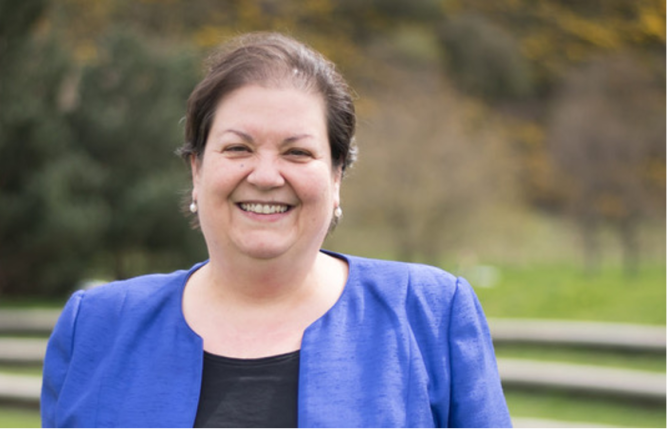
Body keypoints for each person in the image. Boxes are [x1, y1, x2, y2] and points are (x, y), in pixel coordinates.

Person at [41, 32, 511, 428]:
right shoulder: (96, 327)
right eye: (238, 148)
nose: (266, 175)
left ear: (336, 177)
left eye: (297, 152)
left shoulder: (429, 314)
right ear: (197, 171)